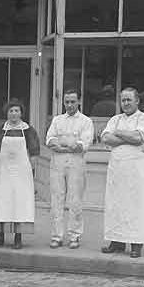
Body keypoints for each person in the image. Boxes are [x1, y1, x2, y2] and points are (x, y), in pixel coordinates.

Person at [100, 87, 144, 258]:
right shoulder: (115, 119)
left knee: (136, 205)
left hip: (137, 168)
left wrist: (118, 133)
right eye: (123, 100)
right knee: (115, 205)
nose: (125, 103)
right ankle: (116, 242)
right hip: (117, 168)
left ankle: (136, 244)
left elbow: (139, 138)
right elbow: (106, 138)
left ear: (137, 101)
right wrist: (127, 136)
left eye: (129, 100)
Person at [0, 101, 40, 249]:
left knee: (20, 203)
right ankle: (0, 236)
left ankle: (18, 237)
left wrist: (31, 170)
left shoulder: (29, 130)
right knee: (2, 202)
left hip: (22, 173)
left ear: (21, 113)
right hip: (3, 171)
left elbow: (34, 152)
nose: (14, 114)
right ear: (7, 113)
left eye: (17, 110)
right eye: (11, 111)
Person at [45, 89, 94, 249]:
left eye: (73, 101)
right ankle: (57, 235)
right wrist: (67, 145)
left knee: (75, 200)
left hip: (76, 164)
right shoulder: (57, 120)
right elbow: (50, 140)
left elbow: (82, 145)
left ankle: (74, 235)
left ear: (79, 101)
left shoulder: (86, 121)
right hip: (57, 164)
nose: (70, 105)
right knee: (57, 199)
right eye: (67, 102)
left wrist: (63, 145)